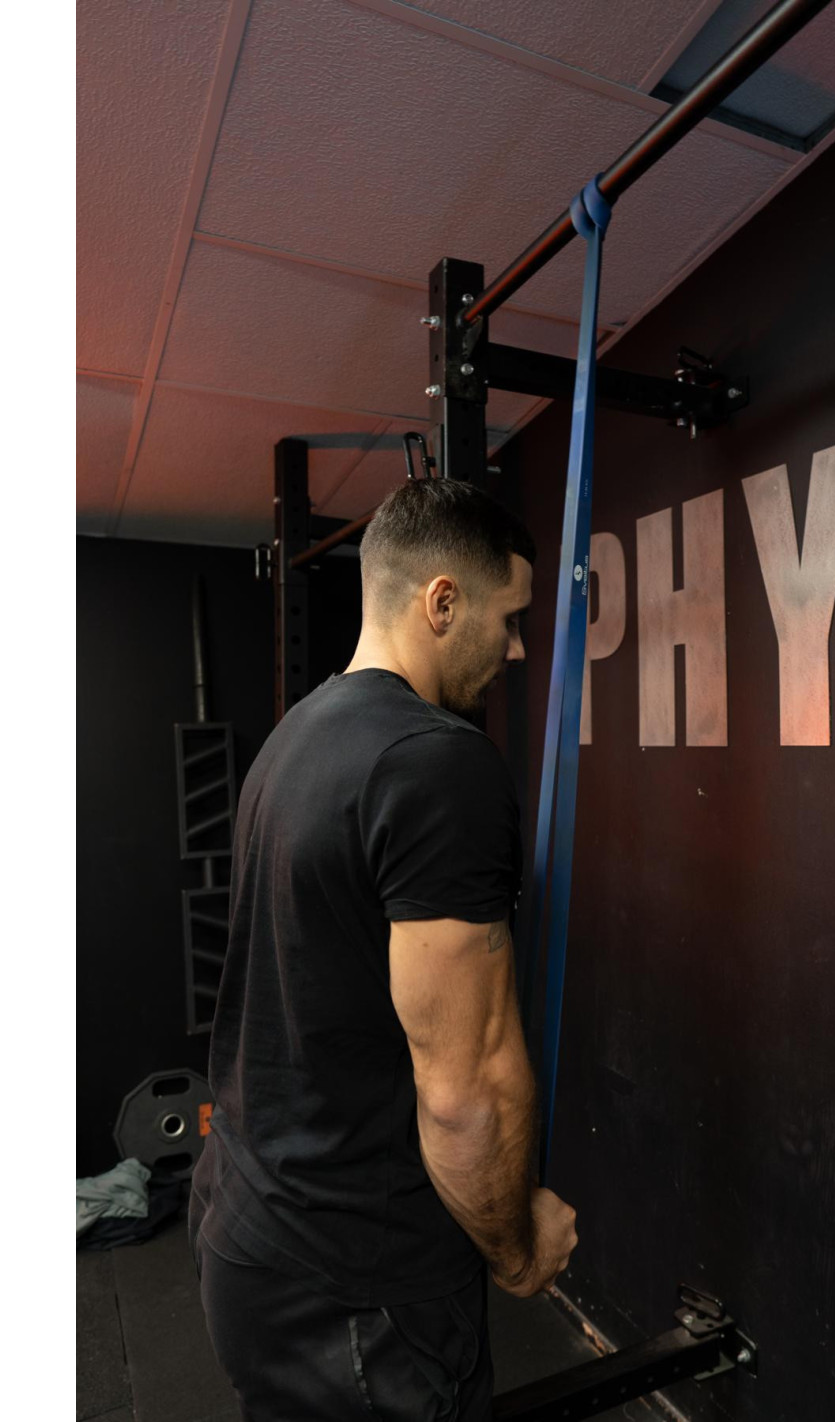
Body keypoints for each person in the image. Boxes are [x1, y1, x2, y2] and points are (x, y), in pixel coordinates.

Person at [189, 477, 579, 1420]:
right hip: (358, 1287)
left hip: (248, 1228)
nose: (518, 649)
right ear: (443, 602)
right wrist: (518, 1253)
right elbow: (464, 1088)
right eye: (510, 619)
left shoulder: (294, 737)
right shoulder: (436, 762)